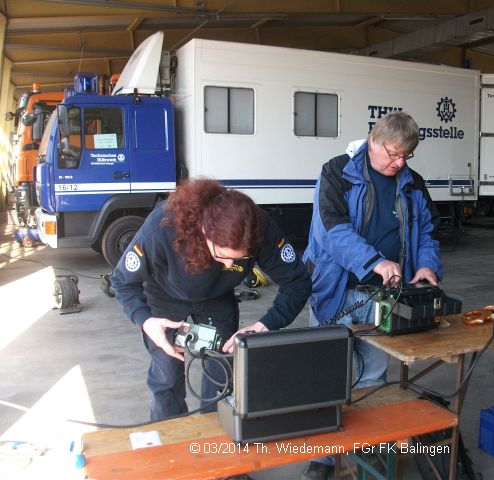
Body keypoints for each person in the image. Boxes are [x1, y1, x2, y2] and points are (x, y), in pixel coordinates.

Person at [301, 112, 442, 480]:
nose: (399, 163)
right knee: (325, 377)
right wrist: (375, 261)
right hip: (335, 290)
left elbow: (426, 231)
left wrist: (427, 266)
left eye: (406, 157)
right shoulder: (336, 172)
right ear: (373, 141)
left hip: (383, 297)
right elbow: (332, 231)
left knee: (373, 377)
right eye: (393, 154)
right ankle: (322, 457)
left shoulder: (413, 183)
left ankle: (370, 449)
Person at [111, 179, 311, 423]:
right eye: (222, 256)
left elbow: (297, 283)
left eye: (239, 259)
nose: (229, 265)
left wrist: (266, 324)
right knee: (166, 375)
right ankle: (170, 441)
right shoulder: (162, 227)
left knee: (222, 375)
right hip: (164, 298)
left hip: (217, 299)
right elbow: (122, 280)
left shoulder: (258, 227)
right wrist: (145, 320)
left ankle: (214, 438)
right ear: (203, 231)